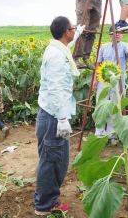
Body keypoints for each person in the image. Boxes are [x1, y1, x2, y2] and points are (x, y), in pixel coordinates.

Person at [34, 16, 84, 216]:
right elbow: (54, 89)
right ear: (66, 32)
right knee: (53, 160)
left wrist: (80, 30)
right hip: (54, 116)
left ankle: (46, 200)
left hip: (49, 114)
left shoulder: (57, 48)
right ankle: (45, 205)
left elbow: (68, 48)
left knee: (51, 158)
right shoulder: (56, 55)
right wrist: (62, 119)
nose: (73, 30)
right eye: (72, 28)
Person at [94, 29, 128, 145]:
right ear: (110, 35)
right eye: (116, 32)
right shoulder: (104, 48)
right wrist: (95, 79)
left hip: (118, 83)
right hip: (103, 82)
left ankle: (112, 135)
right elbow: (98, 64)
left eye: (120, 32)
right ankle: (99, 134)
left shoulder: (125, 46)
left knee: (115, 109)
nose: (118, 34)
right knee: (101, 106)